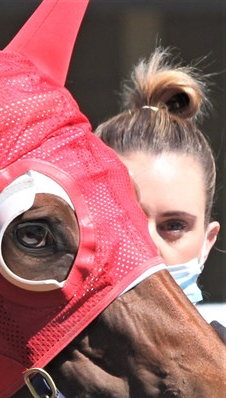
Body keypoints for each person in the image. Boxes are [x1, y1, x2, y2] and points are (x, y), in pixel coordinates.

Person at [95, 47, 225, 336]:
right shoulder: (27, 376)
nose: (148, 247)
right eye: (126, 222)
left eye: (174, 226)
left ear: (207, 242)